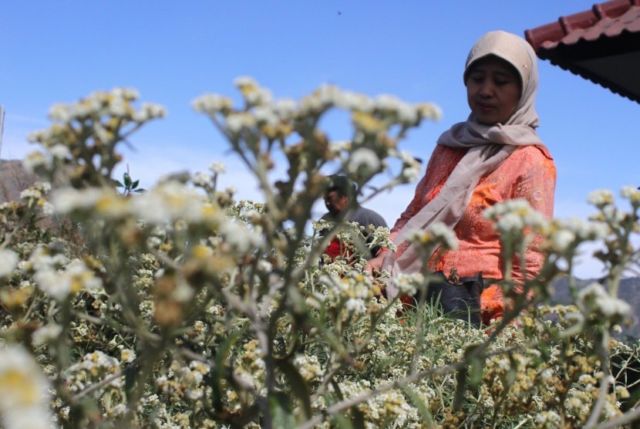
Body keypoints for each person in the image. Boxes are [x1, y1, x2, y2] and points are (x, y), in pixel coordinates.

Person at [367, 30, 556, 324]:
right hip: (415, 301)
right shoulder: (449, 146)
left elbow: (531, 260)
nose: (486, 90)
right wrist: (385, 254)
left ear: (523, 90)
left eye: (501, 81)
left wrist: (505, 326)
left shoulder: (530, 160)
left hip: (477, 314)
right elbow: (415, 213)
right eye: (477, 78)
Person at [321, 175, 387, 259]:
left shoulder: (368, 218)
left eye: (330, 199)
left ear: (345, 197)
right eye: (325, 199)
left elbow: (385, 254)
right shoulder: (324, 221)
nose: (327, 203)